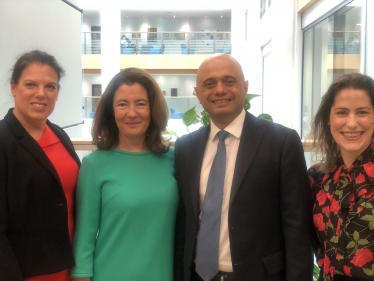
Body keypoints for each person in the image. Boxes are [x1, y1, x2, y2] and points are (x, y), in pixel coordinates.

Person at [174, 53, 314, 281]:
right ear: (197, 93)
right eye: (209, 84)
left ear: (245, 87)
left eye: (229, 81)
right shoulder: (185, 148)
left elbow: (297, 228)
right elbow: (184, 223)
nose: (219, 90)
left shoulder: (281, 142)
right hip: (197, 276)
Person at [70, 67, 178, 281]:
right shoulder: (94, 165)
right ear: (111, 111)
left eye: (140, 103)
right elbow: (84, 238)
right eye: (122, 104)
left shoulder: (173, 160)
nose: (131, 113)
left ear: (152, 109)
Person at [0, 50, 80, 281]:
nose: (41, 94)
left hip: (68, 265)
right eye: (30, 84)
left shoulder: (59, 134)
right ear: (14, 87)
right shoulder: (3, 141)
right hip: (26, 272)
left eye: (50, 87)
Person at [308, 73, 374, 281]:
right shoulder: (317, 178)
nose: (352, 123)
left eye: (362, 112)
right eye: (342, 113)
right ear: (329, 119)